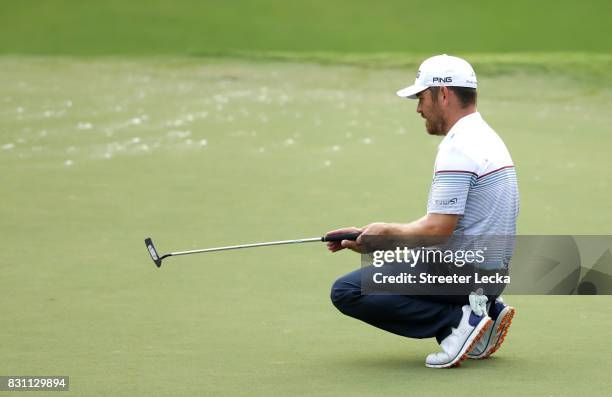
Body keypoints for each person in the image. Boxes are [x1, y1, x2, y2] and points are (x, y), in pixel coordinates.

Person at [327, 54, 519, 368]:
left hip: (462, 274)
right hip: (492, 274)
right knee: (402, 260)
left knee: (347, 290)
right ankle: (487, 309)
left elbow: (436, 231)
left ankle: (457, 322)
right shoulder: (486, 135)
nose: (418, 109)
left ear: (443, 94)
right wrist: (375, 240)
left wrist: (386, 234)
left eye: (421, 97)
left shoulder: (458, 147)